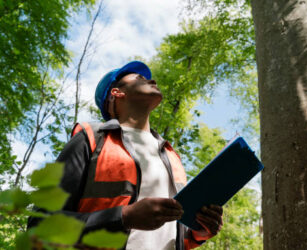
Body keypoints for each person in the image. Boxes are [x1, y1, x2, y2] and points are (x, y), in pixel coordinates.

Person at [28, 61, 223, 249]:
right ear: (117, 92)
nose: (152, 81)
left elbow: (171, 238)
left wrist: (199, 234)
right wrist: (124, 217)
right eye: (140, 77)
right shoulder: (91, 139)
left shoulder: (172, 157)